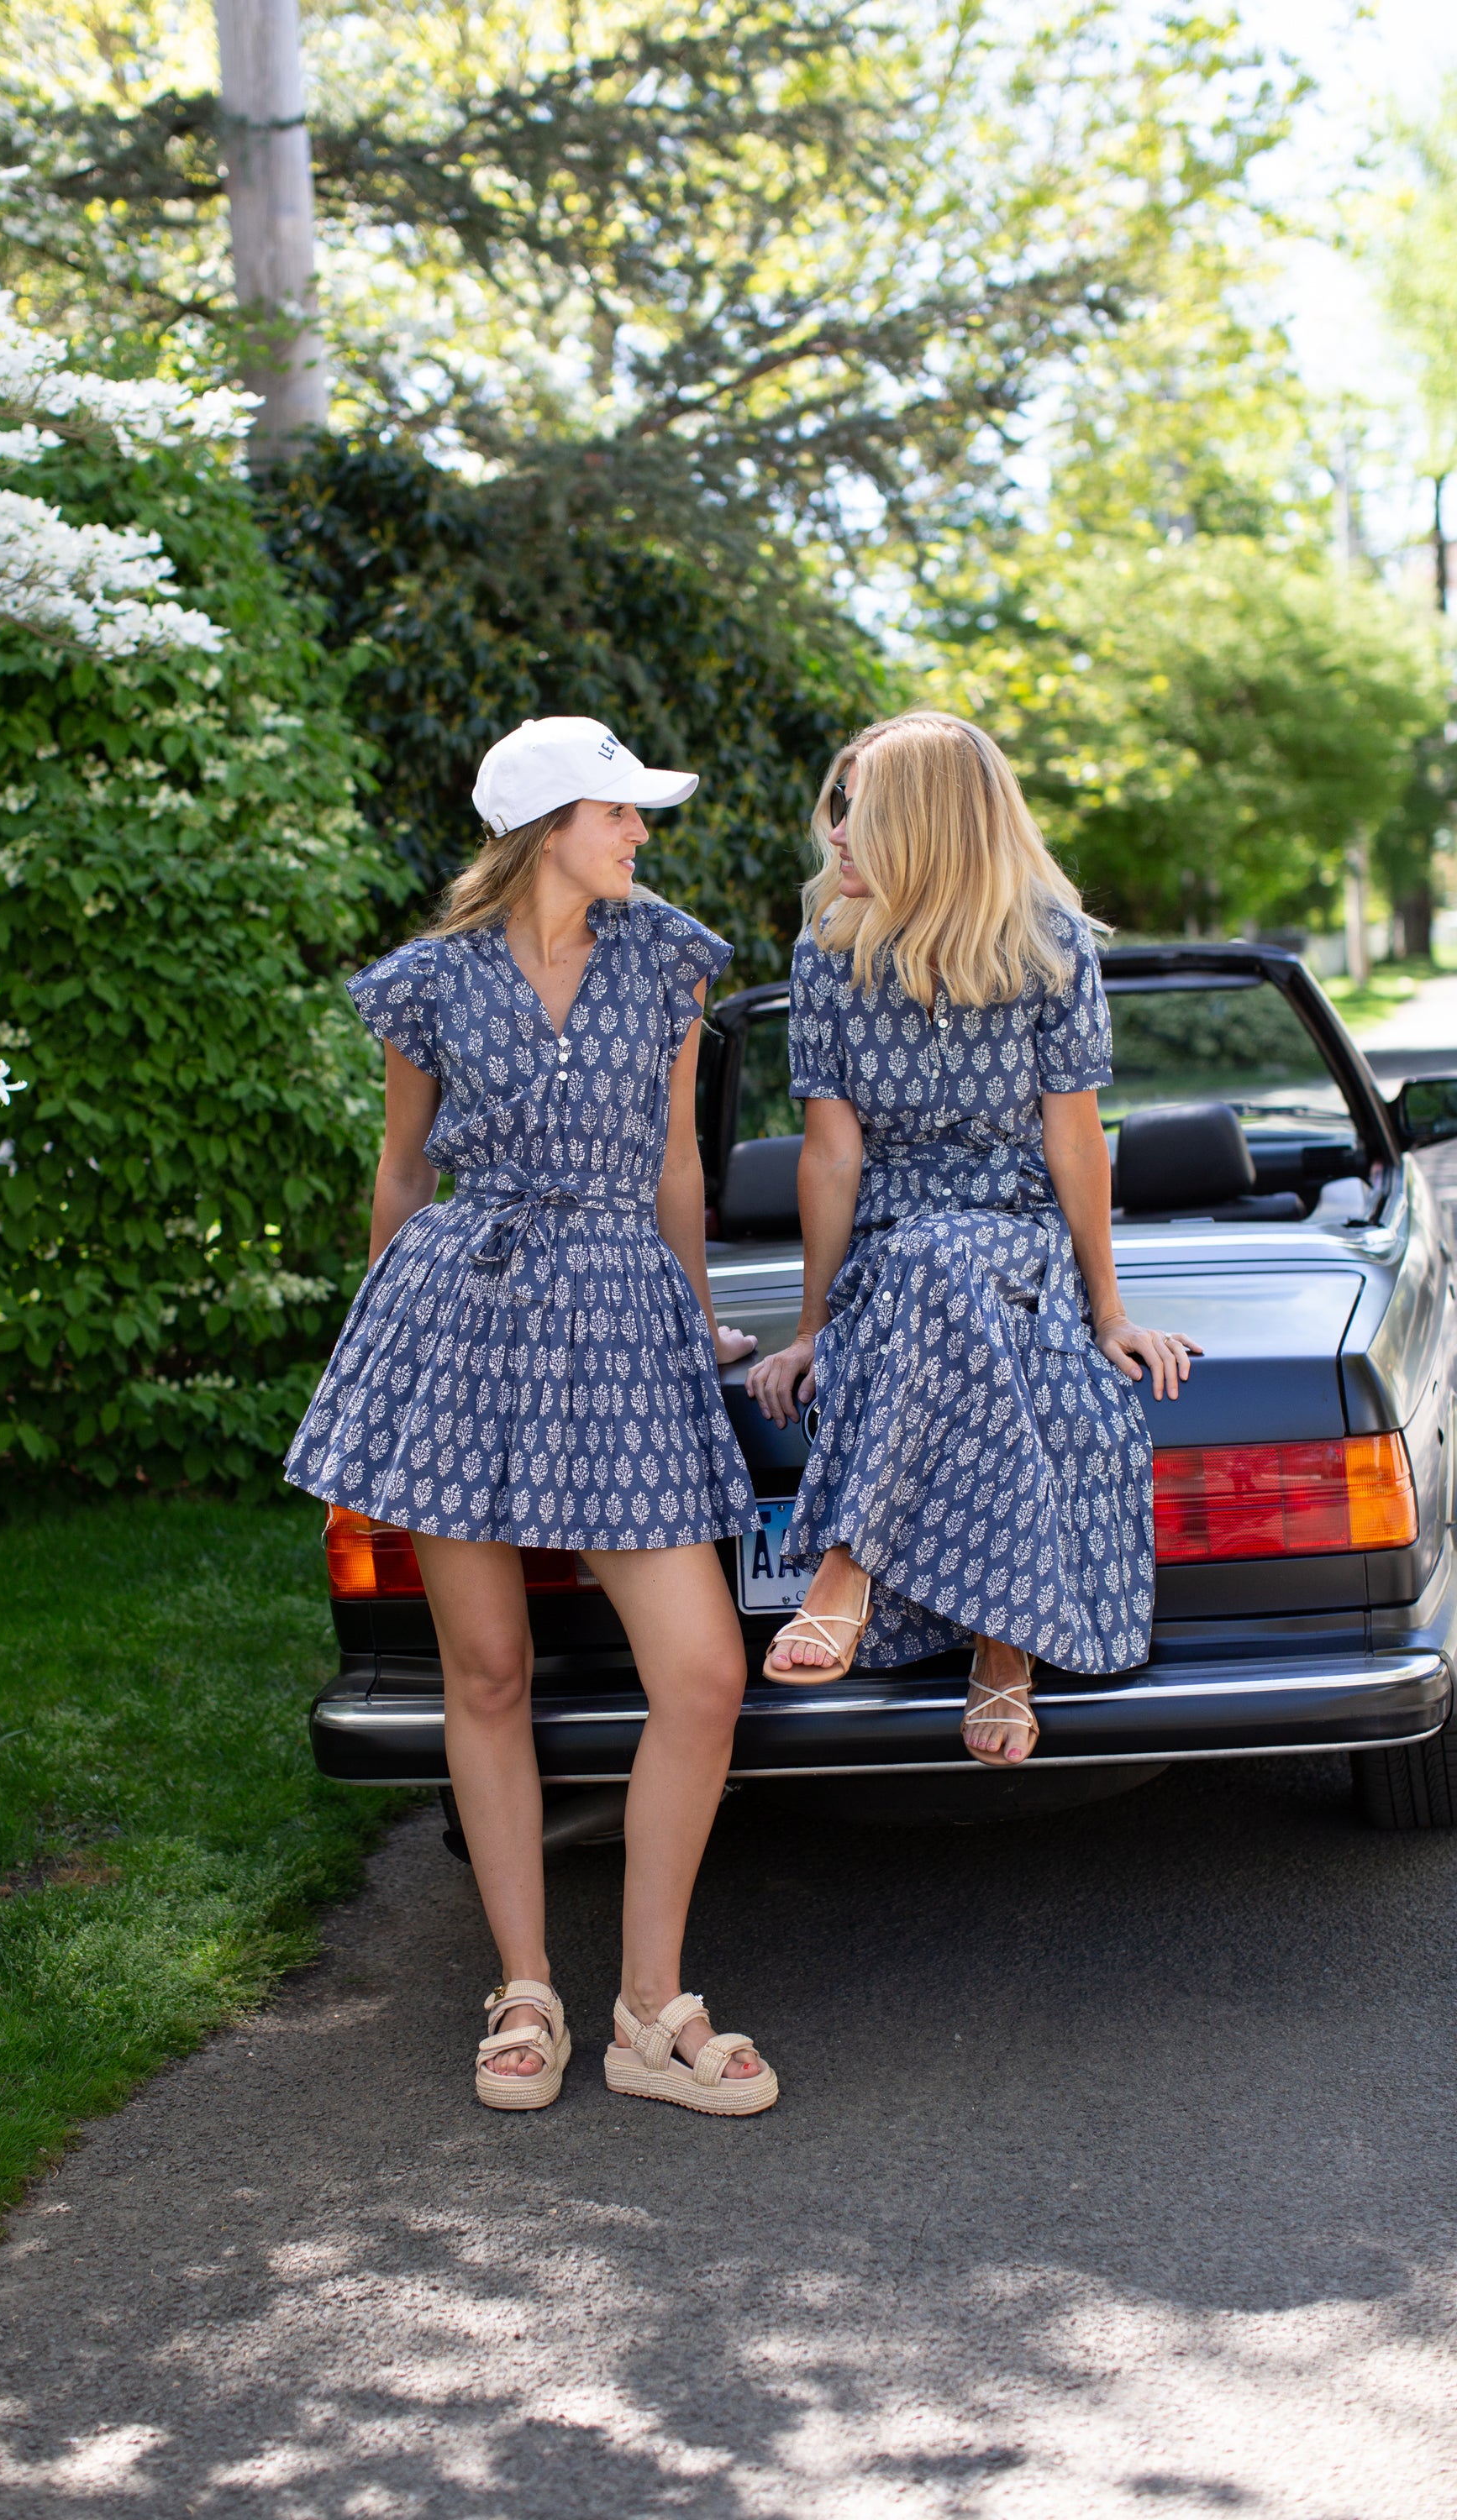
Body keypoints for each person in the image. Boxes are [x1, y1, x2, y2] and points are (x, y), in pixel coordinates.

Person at [287, 717, 778, 2116]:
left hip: (625, 1312)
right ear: (546, 825)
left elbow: (679, 1162)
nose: (639, 834)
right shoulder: (430, 984)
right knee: (486, 1670)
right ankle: (523, 1990)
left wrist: (692, 1316)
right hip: (461, 1311)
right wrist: (381, 1345)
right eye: (618, 813)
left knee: (700, 1674)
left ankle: (647, 2010)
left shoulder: (669, 958)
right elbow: (400, 1175)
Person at [746, 711, 1199, 1764]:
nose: (838, 834)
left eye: (859, 812)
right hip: (890, 1250)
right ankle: (1002, 1652)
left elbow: (1076, 1146)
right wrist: (814, 1327)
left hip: (1016, 1239)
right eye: (838, 809)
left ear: (927, 823)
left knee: (944, 1255)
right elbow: (830, 1159)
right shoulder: (827, 958)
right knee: (922, 1259)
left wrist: (1107, 1310)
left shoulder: (1049, 949)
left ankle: (848, 1564)